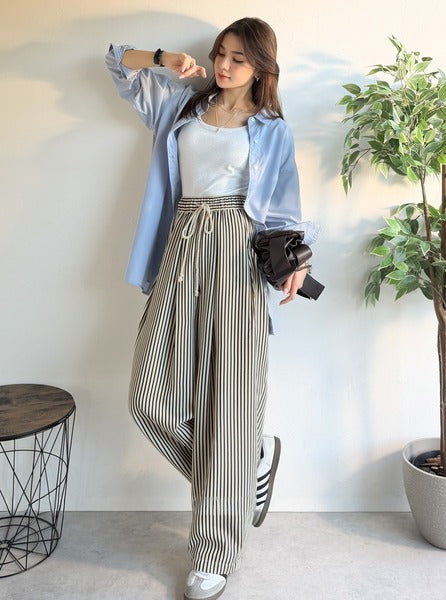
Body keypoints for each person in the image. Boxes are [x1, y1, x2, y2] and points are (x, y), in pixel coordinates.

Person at [105, 17, 318, 600]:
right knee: (149, 398)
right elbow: (116, 60)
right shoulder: (181, 106)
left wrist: (298, 263)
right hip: (181, 246)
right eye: (220, 53)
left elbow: (285, 207)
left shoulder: (272, 129)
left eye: (238, 58)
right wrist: (164, 58)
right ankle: (246, 463)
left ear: (262, 67)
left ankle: (215, 553)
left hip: (238, 255)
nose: (224, 65)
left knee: (229, 401)